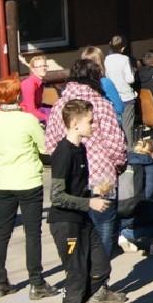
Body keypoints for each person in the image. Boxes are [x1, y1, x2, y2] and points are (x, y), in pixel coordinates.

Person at [49, 100, 126, 303]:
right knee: (77, 276)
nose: (94, 125)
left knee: (101, 269)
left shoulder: (80, 148)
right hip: (66, 223)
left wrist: (94, 193)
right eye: (90, 122)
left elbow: (75, 189)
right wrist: (89, 202)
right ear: (74, 123)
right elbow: (57, 197)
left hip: (82, 220)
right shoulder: (63, 152)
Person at [45, 59, 127, 264]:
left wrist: (64, 166)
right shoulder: (103, 105)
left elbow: (51, 143)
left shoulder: (59, 106)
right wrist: (118, 165)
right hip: (102, 176)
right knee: (104, 230)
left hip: (72, 180)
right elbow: (115, 144)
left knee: (78, 233)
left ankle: (83, 275)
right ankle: (100, 277)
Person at [0, 76, 57, 300]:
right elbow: (45, 147)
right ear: (17, 95)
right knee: (32, 233)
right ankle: (36, 283)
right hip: (28, 180)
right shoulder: (27, 120)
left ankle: (0, 281)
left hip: (4, 181)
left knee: (2, 232)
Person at [105, 35, 137, 141]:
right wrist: (133, 72)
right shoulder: (125, 59)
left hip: (112, 97)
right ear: (123, 48)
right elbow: (130, 79)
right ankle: (130, 148)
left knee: (115, 126)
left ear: (110, 44)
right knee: (127, 126)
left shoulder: (106, 60)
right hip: (126, 96)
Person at [20, 55, 51, 124]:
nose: (43, 68)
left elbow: (38, 106)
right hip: (26, 119)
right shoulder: (29, 84)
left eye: (44, 66)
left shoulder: (40, 83)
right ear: (32, 69)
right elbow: (31, 110)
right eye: (40, 66)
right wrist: (48, 117)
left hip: (35, 116)